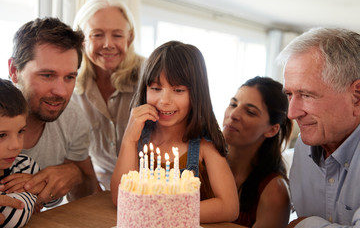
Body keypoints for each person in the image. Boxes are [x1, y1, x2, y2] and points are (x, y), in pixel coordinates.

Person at [110, 40, 239, 223]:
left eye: (178, 90)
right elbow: (120, 199)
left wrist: (162, 212)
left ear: (196, 94)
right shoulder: (139, 138)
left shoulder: (205, 144)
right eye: (155, 88)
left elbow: (229, 208)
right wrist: (129, 141)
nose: (164, 100)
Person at [2, 17, 101, 207]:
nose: (62, 92)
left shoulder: (72, 116)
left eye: (69, 77)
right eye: (47, 75)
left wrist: (75, 173)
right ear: (14, 70)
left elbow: (89, 193)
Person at [277, 27, 360, 227]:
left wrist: (303, 224)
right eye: (289, 95)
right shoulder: (305, 146)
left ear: (357, 96)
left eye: (306, 95)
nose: (292, 113)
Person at [72, 0, 144, 190]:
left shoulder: (151, 76)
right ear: (82, 39)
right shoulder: (71, 85)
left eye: (117, 35)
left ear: (129, 38)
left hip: (148, 187)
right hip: (100, 190)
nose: (108, 44)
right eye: (97, 34)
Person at [223, 76, 292, 228]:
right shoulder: (202, 163)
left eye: (250, 112)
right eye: (233, 104)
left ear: (272, 129)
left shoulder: (274, 191)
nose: (233, 115)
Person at [0, 78, 39, 227]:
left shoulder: (24, 166)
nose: (16, 145)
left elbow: (53, 198)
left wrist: (36, 186)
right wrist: (30, 196)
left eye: (21, 131)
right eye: (1, 135)